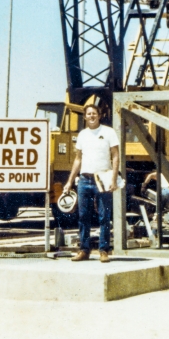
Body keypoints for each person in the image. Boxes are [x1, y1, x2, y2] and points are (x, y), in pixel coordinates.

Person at [62, 103, 120, 263]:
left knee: (104, 216)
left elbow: (115, 156)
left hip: (102, 179)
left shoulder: (109, 132)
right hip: (84, 180)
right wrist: (69, 181)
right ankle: (84, 250)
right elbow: (78, 159)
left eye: (94, 113)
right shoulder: (82, 135)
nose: (92, 116)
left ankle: (103, 250)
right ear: (85, 117)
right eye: (89, 114)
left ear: (99, 115)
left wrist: (114, 179)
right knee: (83, 216)